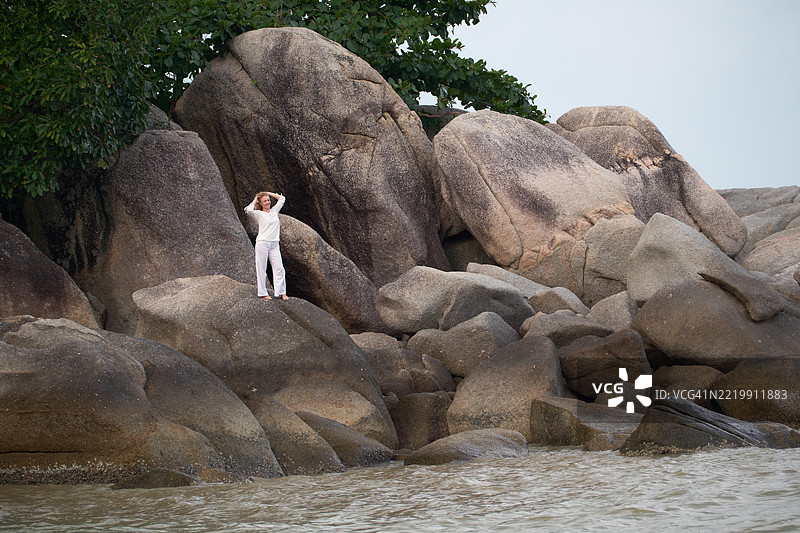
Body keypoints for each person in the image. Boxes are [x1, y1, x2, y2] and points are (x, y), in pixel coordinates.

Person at [244, 191, 288, 300]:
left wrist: (269, 193)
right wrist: (256, 198)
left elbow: (282, 199)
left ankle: (281, 292)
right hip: (262, 243)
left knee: (279, 268)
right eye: (265, 201)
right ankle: (263, 293)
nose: (267, 202)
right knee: (261, 268)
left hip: (274, 244)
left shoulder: (274, 211)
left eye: (268, 200)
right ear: (261, 203)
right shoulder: (259, 214)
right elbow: (249, 210)